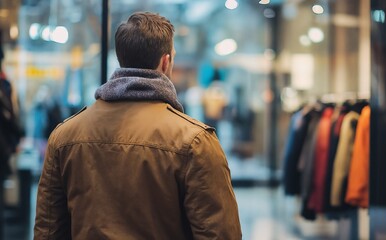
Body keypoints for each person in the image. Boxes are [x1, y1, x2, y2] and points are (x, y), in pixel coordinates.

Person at [34, 12, 242, 239]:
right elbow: (220, 234)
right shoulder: (195, 142)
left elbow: (48, 232)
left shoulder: (64, 137)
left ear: (122, 60)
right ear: (166, 62)